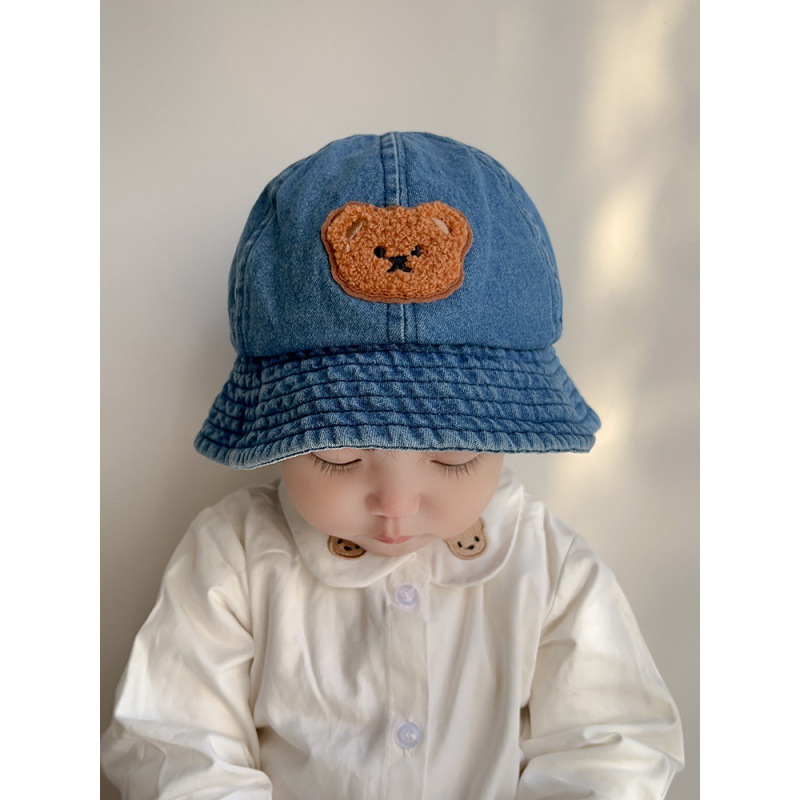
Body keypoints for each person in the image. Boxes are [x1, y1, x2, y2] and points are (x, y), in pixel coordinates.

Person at [101, 132, 684, 799]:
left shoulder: (549, 570)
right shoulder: (234, 557)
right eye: (339, 453)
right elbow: (175, 744)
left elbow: (612, 748)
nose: (397, 504)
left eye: (454, 454)